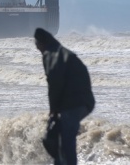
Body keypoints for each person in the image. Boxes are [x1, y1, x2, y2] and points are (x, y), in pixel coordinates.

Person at [34, 28, 95, 165]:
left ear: (42, 43)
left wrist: (53, 110)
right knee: (63, 138)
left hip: (74, 103)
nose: (36, 47)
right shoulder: (60, 51)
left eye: (37, 43)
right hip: (85, 101)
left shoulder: (50, 55)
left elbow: (54, 84)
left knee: (66, 140)